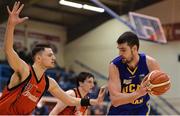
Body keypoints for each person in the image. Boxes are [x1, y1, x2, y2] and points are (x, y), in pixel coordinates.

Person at [0, 2, 105, 115]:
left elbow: (69, 100)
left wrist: (94, 101)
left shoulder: (49, 83)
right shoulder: (24, 70)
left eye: (53, 54)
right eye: (50, 55)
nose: (54, 57)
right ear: (38, 58)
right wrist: (11, 25)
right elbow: (8, 50)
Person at [107, 31, 160, 115]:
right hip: (119, 111)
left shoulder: (150, 63)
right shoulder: (114, 66)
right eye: (119, 50)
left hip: (140, 110)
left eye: (123, 50)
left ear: (134, 49)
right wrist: (138, 93)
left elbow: (159, 88)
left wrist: (162, 85)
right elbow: (115, 101)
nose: (120, 54)